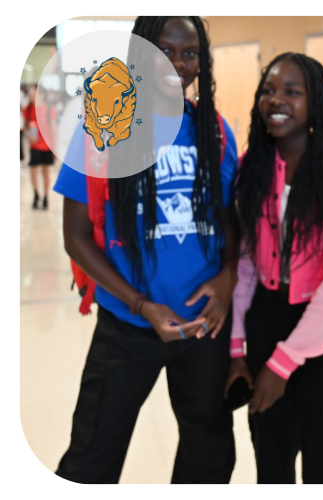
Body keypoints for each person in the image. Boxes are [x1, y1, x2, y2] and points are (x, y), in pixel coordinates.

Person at [53, 16, 238, 484]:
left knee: (208, 455)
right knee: (92, 456)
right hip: (129, 324)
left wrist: (227, 276)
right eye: (164, 50)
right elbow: (74, 236)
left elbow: (231, 219)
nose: (176, 63)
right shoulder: (102, 126)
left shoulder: (215, 131)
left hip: (204, 325)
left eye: (189, 52)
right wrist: (141, 304)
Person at [226, 53, 323, 483]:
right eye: (268, 90)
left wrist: (283, 364)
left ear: (316, 102)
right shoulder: (252, 166)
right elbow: (246, 265)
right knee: (271, 462)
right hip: (265, 322)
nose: (276, 100)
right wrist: (237, 350)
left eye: (292, 91)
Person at [23, 84, 57, 209]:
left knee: (46, 172)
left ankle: (46, 197)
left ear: (41, 96)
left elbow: (53, 130)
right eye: (31, 93)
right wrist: (28, 135)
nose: (31, 95)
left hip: (47, 146)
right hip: (34, 145)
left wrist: (55, 149)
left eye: (34, 93)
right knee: (33, 171)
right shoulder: (29, 108)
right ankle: (36, 194)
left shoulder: (49, 109)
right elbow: (25, 126)